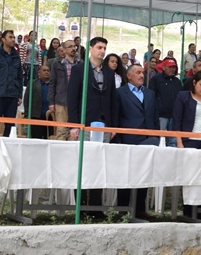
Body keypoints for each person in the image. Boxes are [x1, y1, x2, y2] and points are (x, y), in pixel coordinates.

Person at [114, 63, 159, 218]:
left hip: (148, 139)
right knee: (125, 174)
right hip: (128, 139)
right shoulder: (120, 93)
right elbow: (116, 116)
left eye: (142, 72)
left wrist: (155, 135)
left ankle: (140, 209)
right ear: (129, 76)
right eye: (138, 72)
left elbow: (154, 116)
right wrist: (119, 140)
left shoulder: (150, 94)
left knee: (143, 174)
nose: (141, 75)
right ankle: (123, 209)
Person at [67, 36, 119, 142]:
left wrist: (113, 126)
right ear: (91, 49)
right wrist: (73, 125)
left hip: (105, 124)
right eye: (99, 47)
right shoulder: (79, 70)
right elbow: (72, 99)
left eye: (104, 48)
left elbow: (113, 100)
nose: (102, 51)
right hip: (85, 122)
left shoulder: (109, 73)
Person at [149, 58, 183, 143]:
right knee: (159, 139)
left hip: (174, 116)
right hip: (161, 115)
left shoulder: (177, 81)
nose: (172, 69)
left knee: (173, 140)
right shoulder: (156, 79)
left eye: (174, 67)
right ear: (164, 67)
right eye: (170, 67)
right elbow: (151, 96)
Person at [22, 63, 53, 139]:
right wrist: (27, 114)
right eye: (44, 70)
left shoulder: (53, 84)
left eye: (48, 70)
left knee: (49, 139)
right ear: (39, 73)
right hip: (36, 116)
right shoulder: (32, 83)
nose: (46, 72)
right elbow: (26, 99)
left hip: (50, 117)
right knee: (36, 139)